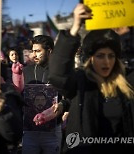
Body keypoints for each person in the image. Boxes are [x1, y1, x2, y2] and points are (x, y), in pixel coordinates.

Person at [49, 3, 134, 154]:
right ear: (90, 59)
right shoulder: (81, 81)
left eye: (111, 56)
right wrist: (74, 28)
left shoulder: (127, 81)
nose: (107, 61)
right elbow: (57, 74)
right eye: (100, 56)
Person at [22, 35, 63, 154]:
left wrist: (62, 107)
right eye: (33, 51)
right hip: (30, 131)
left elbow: (69, 97)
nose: (34, 55)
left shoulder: (60, 72)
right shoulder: (26, 71)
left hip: (53, 129)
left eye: (38, 51)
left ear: (49, 51)